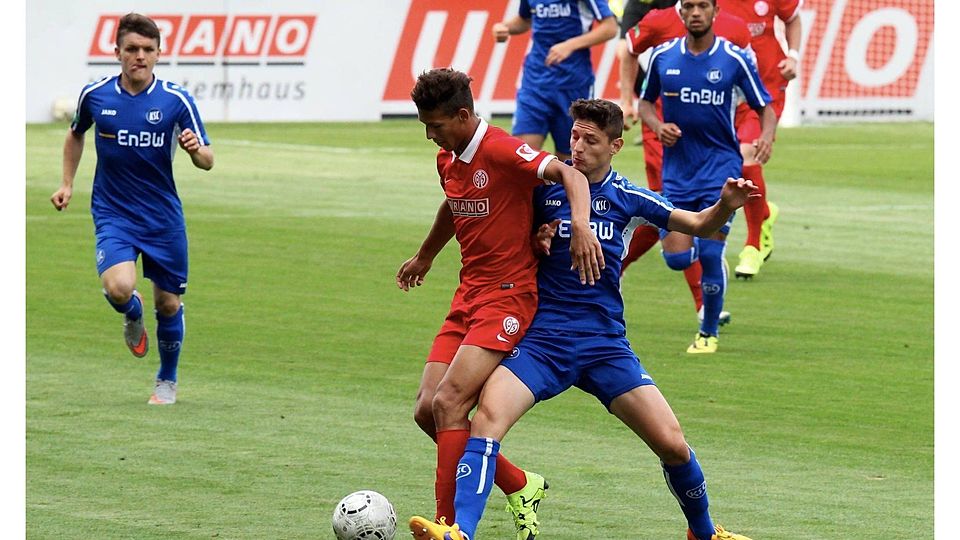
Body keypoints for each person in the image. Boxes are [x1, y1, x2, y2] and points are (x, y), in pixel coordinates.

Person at [409, 99, 759, 540]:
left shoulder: (629, 197)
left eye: (590, 140)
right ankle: (462, 531)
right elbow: (481, 209)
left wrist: (726, 206)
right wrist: (536, 237)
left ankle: (705, 532)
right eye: (574, 135)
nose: (578, 147)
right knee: (486, 422)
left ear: (615, 146)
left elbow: (700, 224)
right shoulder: (542, 188)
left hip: (604, 345)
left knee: (672, 443)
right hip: (542, 342)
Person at [397, 68, 604, 539]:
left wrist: (580, 226)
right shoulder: (449, 158)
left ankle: (449, 526)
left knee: (451, 401)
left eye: (436, 125)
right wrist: (425, 255)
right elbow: (455, 203)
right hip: (468, 294)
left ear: (464, 114)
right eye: (425, 126)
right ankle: (517, 482)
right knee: (426, 408)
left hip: (508, 298)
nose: (430, 135)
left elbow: (570, 174)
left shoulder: (503, 150)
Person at [49, 13, 213, 405]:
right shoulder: (96, 95)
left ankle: (166, 381)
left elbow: (208, 159)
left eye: (147, 50)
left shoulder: (176, 100)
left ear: (159, 54)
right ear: (117, 52)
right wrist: (67, 183)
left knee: (169, 302)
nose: (139, 56)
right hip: (113, 212)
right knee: (119, 287)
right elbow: (75, 135)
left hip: (162, 217)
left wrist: (195, 152)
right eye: (132, 49)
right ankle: (131, 312)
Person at [638, 0, 776, 353]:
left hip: (720, 169)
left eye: (703, 6)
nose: (696, 13)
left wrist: (766, 136)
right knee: (677, 259)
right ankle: (709, 249)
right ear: (681, 13)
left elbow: (764, 105)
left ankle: (708, 333)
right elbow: (645, 103)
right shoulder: (663, 57)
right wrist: (657, 125)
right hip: (678, 173)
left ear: (715, 12)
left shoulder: (734, 58)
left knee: (710, 256)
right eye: (690, 7)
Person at [618, 1, 751, 328]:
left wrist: (749, 130)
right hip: (667, 139)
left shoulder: (734, 27)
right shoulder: (657, 19)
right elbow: (628, 50)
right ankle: (616, 267)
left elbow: (748, 84)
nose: (695, 12)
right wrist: (626, 99)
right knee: (666, 214)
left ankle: (705, 307)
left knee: (687, 229)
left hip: (715, 148)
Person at [717, 0, 802, 278]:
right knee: (724, 164)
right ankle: (763, 212)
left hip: (765, 87)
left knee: (747, 154)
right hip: (724, 89)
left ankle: (752, 246)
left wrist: (793, 56)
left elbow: (793, 18)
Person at [491, 0, 619, 162]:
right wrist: (505, 28)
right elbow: (525, 19)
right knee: (522, 155)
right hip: (535, 82)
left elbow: (610, 27)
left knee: (570, 158)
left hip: (573, 84)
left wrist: (570, 45)